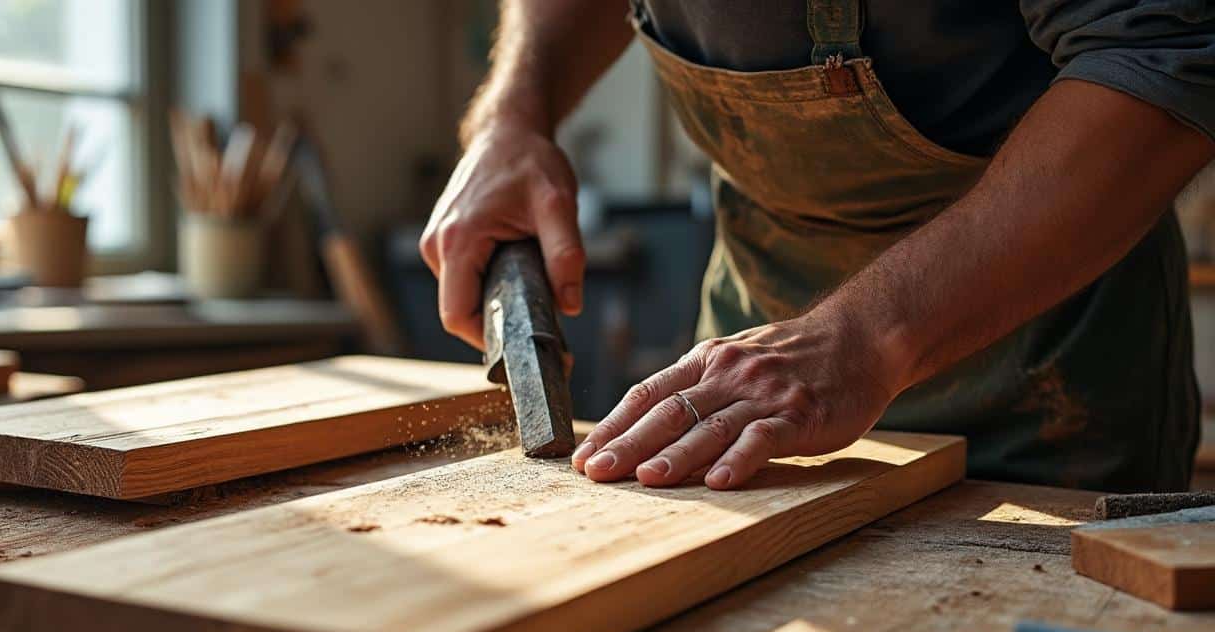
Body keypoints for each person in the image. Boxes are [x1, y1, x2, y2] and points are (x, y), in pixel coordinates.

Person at [420, 0, 1215, 492]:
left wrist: (867, 336)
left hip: (1049, 371)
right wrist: (513, 113)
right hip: (750, 367)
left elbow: (1159, 55)